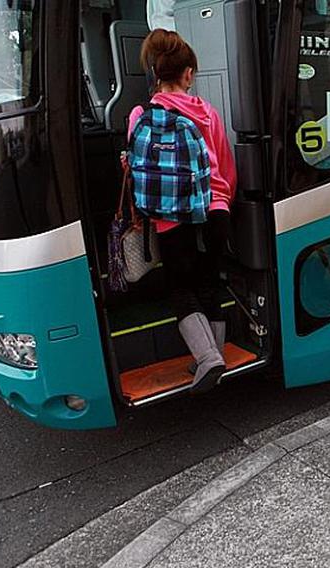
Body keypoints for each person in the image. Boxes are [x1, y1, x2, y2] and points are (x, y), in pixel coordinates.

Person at [127, 29, 237, 393]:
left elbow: (137, 172)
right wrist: (221, 203)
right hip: (215, 210)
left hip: (169, 217)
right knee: (209, 283)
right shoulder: (207, 112)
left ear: (156, 74)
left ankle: (208, 358)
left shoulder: (141, 114)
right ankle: (214, 354)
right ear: (188, 74)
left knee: (181, 287)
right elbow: (226, 164)